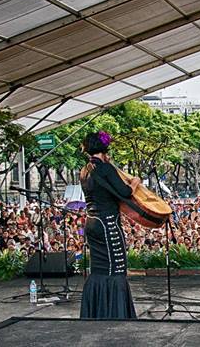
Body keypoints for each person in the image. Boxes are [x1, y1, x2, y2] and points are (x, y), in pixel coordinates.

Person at [79, 131, 140, 319]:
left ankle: (96, 312)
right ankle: (116, 314)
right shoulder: (106, 169)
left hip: (91, 223)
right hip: (108, 224)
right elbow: (124, 192)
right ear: (105, 149)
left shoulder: (85, 171)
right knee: (115, 269)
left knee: (98, 268)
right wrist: (135, 183)